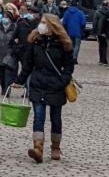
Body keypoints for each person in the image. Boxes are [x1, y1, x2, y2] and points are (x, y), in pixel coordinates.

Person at [15, 12, 74, 164]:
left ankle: (55, 147)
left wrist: (63, 80)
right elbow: (28, 64)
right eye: (40, 22)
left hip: (56, 84)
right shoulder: (36, 41)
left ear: (52, 26)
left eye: (43, 22)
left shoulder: (63, 44)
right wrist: (19, 81)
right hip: (38, 83)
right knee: (39, 116)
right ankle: (38, 148)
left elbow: (68, 67)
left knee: (55, 118)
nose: (40, 25)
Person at [0, 3, 19, 95]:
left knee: (8, 74)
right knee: (1, 74)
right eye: (4, 16)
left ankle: (7, 89)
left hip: (10, 54)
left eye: (7, 16)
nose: (5, 18)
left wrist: (15, 51)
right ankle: (3, 87)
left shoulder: (15, 28)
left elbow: (17, 41)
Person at [60, 0, 86, 64]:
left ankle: (70, 57)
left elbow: (64, 22)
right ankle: (74, 58)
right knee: (77, 45)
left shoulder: (67, 12)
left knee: (70, 44)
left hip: (69, 32)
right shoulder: (80, 13)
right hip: (78, 31)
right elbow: (83, 23)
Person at [95, 0, 109, 64]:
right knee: (106, 46)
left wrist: (94, 31)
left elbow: (95, 22)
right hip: (107, 31)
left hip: (99, 31)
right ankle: (105, 60)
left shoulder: (98, 12)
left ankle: (101, 60)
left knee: (101, 46)